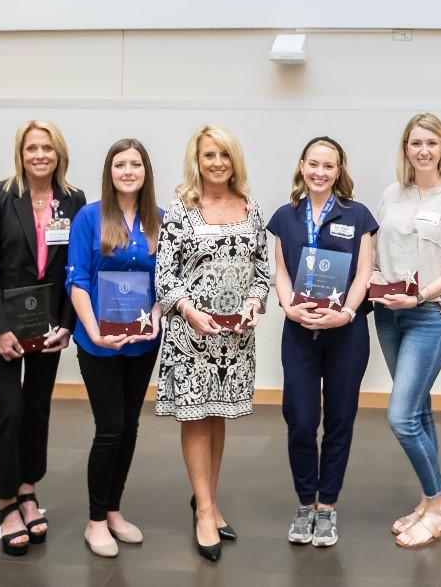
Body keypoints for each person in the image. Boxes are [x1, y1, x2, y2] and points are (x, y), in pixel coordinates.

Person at [0, 120, 85, 555]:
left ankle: (28, 490)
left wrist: (68, 325)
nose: (39, 155)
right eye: (31, 148)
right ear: (20, 153)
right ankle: (5, 501)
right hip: (1, 323)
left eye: (47, 148)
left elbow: (75, 269)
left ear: (59, 154)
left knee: (36, 408)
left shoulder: (74, 200)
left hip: (48, 323)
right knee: (9, 409)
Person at [154, 125, 271, 563]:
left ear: (234, 159)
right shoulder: (180, 210)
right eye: (208, 155)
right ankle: (203, 510)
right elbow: (164, 276)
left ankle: (209, 498)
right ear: (196, 161)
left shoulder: (251, 208)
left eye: (224, 154)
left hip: (235, 339)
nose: (217, 162)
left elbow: (262, 269)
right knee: (196, 417)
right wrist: (188, 310)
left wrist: (255, 303)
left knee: (218, 416)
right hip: (192, 335)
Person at [372, 113, 441, 549]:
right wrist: (377, 287)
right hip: (387, 315)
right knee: (419, 411)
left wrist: (419, 297)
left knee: (400, 416)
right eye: (416, 143)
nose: (423, 150)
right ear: (406, 149)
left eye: (431, 143)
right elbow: (377, 254)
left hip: (428, 316)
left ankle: (438, 509)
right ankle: (426, 502)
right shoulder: (391, 194)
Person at [266, 137, 378, 548]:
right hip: (298, 330)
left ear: (339, 170)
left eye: (328, 166)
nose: (319, 172)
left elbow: (365, 272)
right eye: (313, 164)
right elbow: (280, 270)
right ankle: (304, 503)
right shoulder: (285, 216)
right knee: (299, 419)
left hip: (346, 331)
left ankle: (326, 507)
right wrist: (288, 307)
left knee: (340, 420)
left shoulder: (358, 215)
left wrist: (346, 313)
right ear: (301, 165)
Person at [65, 139, 163, 557]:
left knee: (130, 427)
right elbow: (78, 279)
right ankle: (95, 520)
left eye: (135, 164)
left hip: (142, 341)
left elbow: (168, 280)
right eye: (120, 164)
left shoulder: (160, 219)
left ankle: (115, 509)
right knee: (110, 429)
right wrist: (94, 330)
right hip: (98, 342)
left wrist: (157, 316)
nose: (128, 171)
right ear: (109, 171)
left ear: (146, 172)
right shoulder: (89, 217)